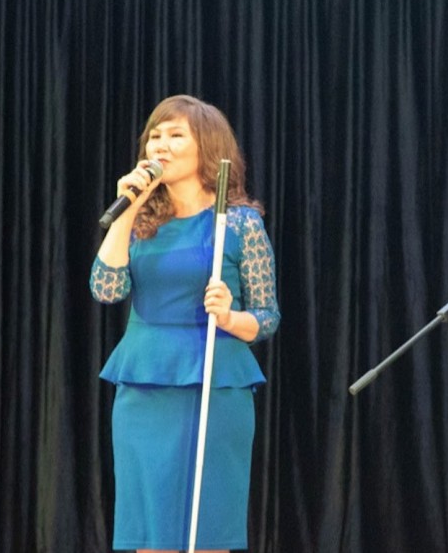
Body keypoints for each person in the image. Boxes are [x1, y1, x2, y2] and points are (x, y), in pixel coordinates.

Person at [89, 94, 280, 553]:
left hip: (214, 383)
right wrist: (128, 209)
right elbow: (106, 289)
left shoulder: (239, 224)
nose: (160, 144)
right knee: (151, 533)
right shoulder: (140, 222)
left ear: (207, 147)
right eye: (154, 135)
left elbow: (267, 317)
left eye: (176, 135)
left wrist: (229, 315)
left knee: (206, 531)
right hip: (144, 387)